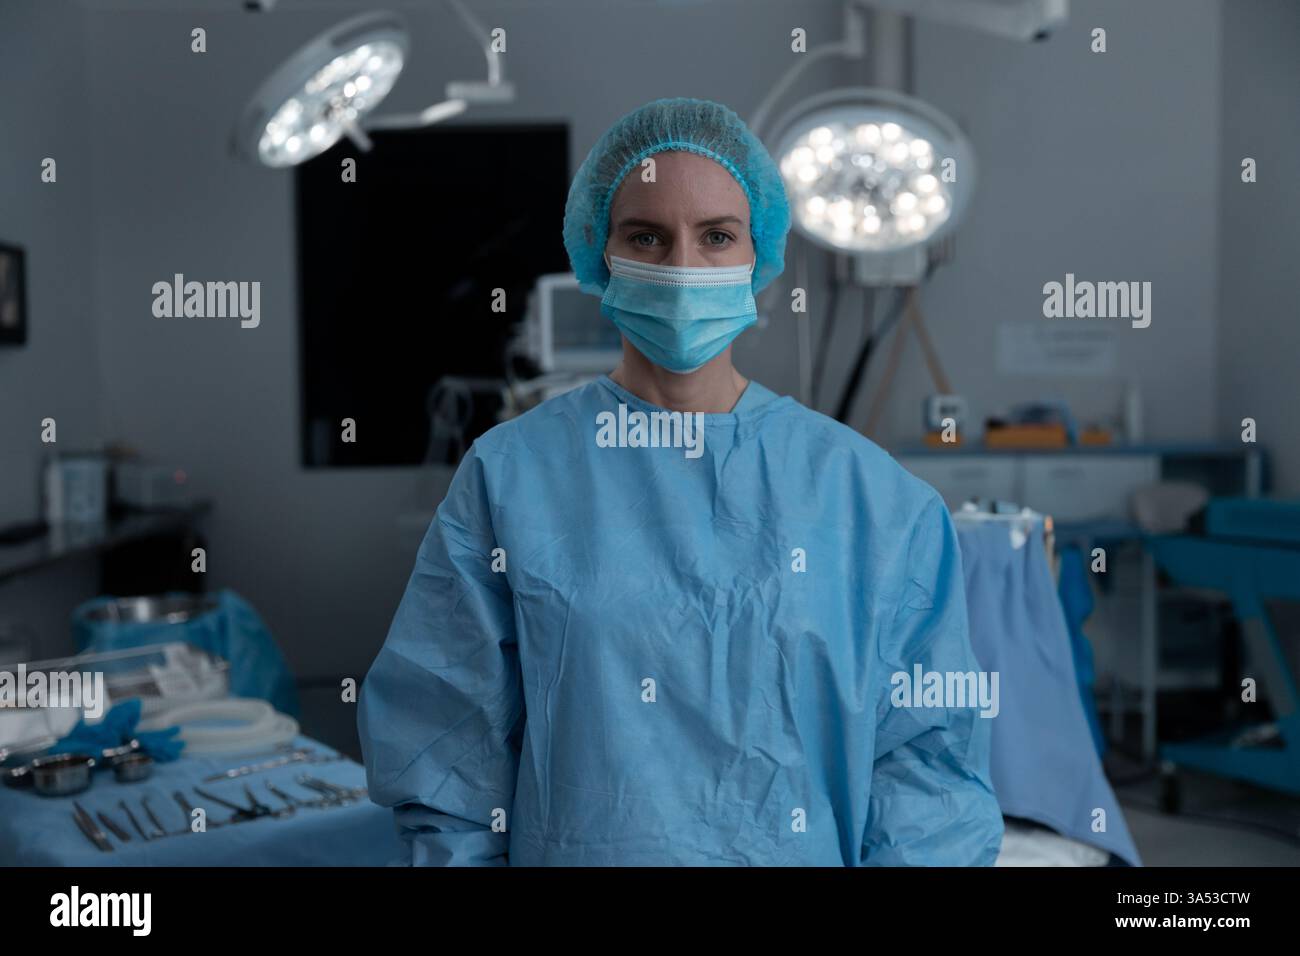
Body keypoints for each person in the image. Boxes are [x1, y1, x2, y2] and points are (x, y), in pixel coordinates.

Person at [358, 97, 1003, 866]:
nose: (683, 267)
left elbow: (927, 767)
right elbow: (450, 755)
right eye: (648, 237)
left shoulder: (870, 499)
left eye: (717, 237)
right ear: (599, 250)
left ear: (758, 254)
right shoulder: (510, 478)